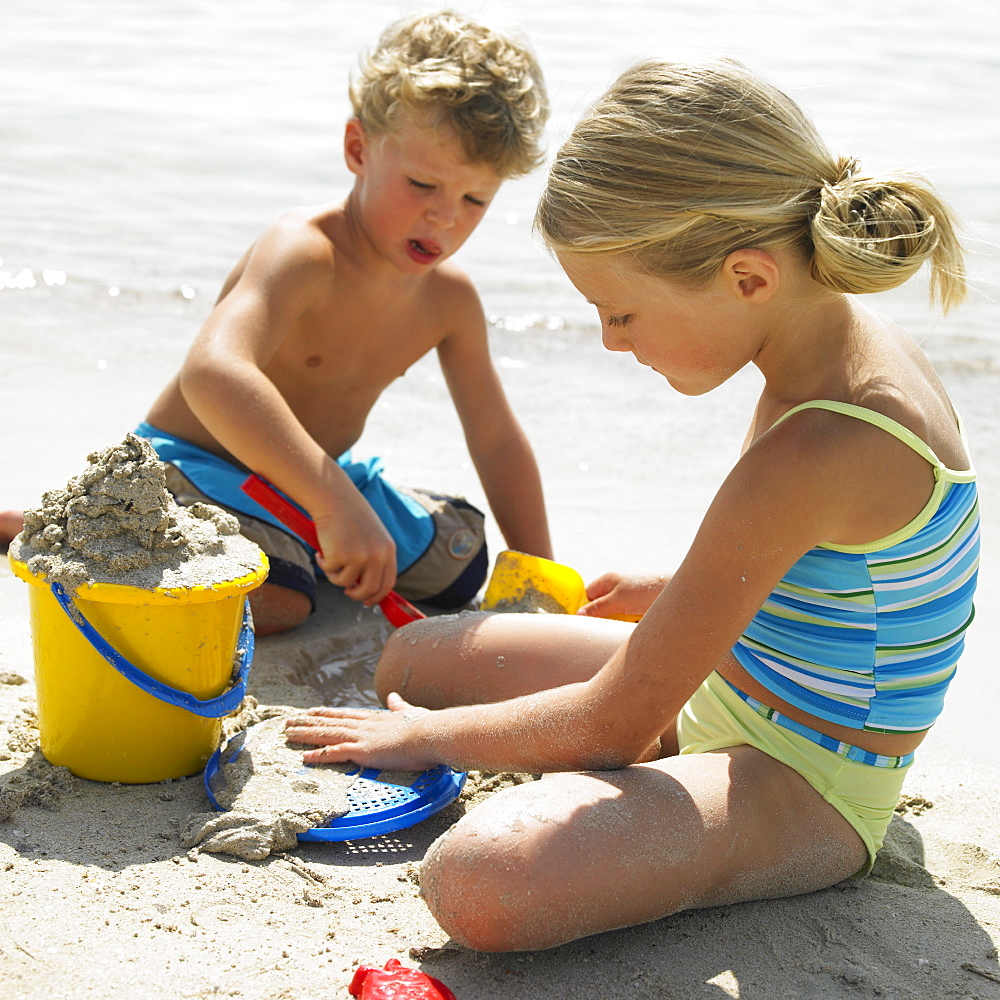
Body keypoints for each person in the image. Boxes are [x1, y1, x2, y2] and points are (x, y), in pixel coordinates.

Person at [283, 59, 980, 952]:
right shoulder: (836, 340)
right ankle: (654, 763)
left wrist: (431, 741)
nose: (613, 343)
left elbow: (613, 721)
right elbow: (844, 572)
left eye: (621, 313)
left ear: (749, 277)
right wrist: (677, 590)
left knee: (483, 880)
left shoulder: (827, 441)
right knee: (412, 661)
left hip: (803, 777)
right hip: (738, 682)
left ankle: (678, 798)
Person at [0, 11, 554, 629]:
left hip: (314, 477)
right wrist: (334, 503)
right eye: (423, 184)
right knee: (282, 602)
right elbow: (210, 374)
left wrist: (541, 570)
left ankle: (305, 538)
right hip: (196, 464)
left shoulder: (449, 299)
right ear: (358, 149)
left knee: (460, 566)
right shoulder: (306, 252)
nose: (445, 219)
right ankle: (82, 535)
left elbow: (496, 439)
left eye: (475, 199)